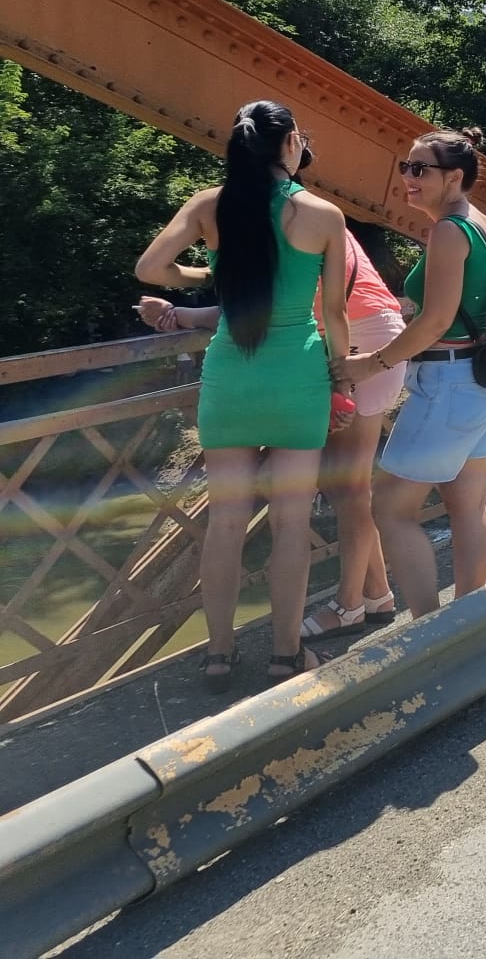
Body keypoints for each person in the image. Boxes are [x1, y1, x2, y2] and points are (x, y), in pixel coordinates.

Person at [136, 100, 353, 687]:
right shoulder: (323, 215)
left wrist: (206, 273)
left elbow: (151, 269)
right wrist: (342, 379)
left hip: (230, 378)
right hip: (298, 379)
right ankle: (286, 655)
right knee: (291, 524)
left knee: (226, 523)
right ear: (290, 144)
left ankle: (218, 655)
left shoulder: (211, 205)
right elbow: (334, 315)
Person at [141, 225, 407, 642]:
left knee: (349, 487)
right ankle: (377, 594)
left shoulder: (273, 223)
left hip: (355, 339)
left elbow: (252, 312)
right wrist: (182, 311)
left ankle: (350, 605)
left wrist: (180, 314)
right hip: (370, 330)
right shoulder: (307, 219)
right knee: (344, 484)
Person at [337, 127, 486, 623]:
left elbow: (436, 322)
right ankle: (469, 622)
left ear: (454, 177)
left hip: (449, 387)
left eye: (420, 169)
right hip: (485, 386)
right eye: (406, 167)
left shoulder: (448, 231)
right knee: (468, 506)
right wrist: (476, 314)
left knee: (390, 509)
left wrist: (371, 363)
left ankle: (430, 629)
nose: (408, 177)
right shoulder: (484, 225)